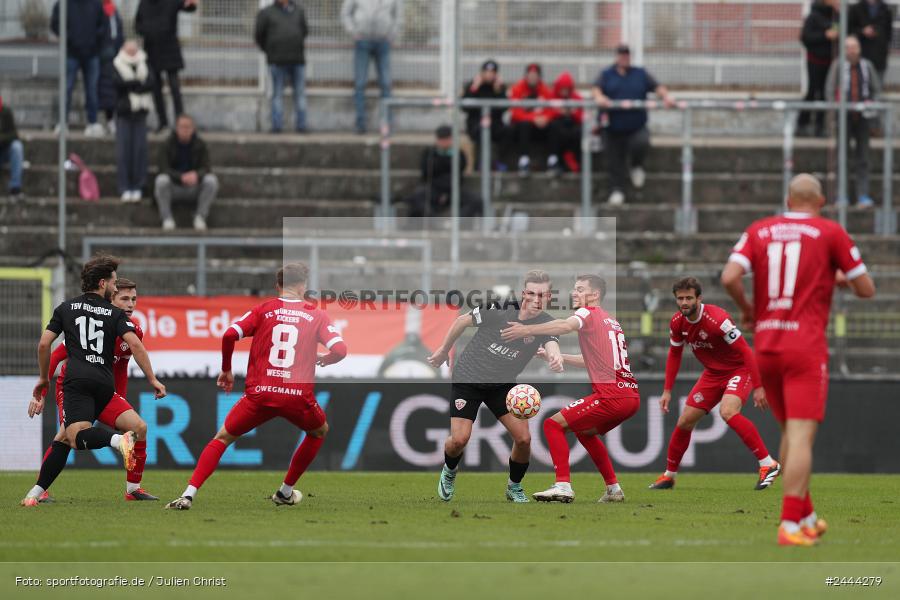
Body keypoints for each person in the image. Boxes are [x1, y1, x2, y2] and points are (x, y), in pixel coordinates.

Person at [721, 173, 875, 546]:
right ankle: (789, 525)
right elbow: (867, 289)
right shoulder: (830, 232)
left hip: (767, 346)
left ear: (788, 199)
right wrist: (837, 277)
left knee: (790, 433)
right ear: (820, 202)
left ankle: (805, 516)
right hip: (804, 347)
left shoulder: (760, 230)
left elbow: (729, 277)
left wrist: (747, 310)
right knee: (803, 436)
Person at [165, 263, 347, 510]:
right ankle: (285, 491)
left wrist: (227, 370)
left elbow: (229, 335)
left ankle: (188, 495)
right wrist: (325, 359)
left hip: (260, 394)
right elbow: (340, 350)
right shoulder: (316, 315)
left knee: (221, 438)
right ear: (303, 286)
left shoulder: (264, 310)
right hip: (297, 397)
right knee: (318, 432)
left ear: (278, 286)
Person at [21, 255, 166, 507]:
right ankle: (38, 491)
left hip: (103, 389)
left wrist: (120, 399)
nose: (130, 304)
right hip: (74, 385)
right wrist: (42, 390)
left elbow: (121, 365)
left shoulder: (119, 323)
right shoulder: (106, 319)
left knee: (139, 428)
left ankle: (133, 489)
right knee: (67, 436)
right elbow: (55, 355)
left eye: (134, 299)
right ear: (108, 290)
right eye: (124, 297)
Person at [426, 270, 564, 503]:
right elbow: (461, 321)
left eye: (542, 295)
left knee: (524, 440)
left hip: (502, 385)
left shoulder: (546, 323)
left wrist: (556, 357)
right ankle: (449, 471)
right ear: (523, 294)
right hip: (468, 379)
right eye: (531, 293)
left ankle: (514, 487)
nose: (536, 300)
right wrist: (442, 350)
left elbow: (551, 343)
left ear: (549, 296)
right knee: (459, 440)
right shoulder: (499, 309)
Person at [501, 274, 640, 504]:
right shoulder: (611, 321)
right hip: (630, 396)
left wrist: (528, 330)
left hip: (611, 395)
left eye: (580, 289)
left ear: (594, 295)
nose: (574, 293)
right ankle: (613, 489)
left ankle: (563, 485)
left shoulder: (587, 313)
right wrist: (556, 356)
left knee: (552, 424)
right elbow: (591, 361)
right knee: (585, 433)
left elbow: (565, 325)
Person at [647, 277, 780, 492]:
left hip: (739, 370)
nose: (684, 302)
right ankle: (669, 476)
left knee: (727, 411)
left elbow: (746, 351)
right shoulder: (677, 322)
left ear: (699, 298)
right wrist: (667, 391)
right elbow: (674, 354)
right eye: (680, 298)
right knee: (684, 422)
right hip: (712, 374)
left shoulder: (718, 319)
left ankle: (768, 464)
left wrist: (758, 386)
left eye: (689, 298)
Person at [593, 44, 674, 205]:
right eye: (621, 55)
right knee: (613, 158)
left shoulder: (640, 74)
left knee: (641, 142)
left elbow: (658, 87)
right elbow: (596, 90)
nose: (624, 58)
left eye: (627, 55)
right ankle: (616, 190)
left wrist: (666, 96)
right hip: (613, 127)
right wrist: (599, 98)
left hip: (636, 125)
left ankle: (636, 166)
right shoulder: (607, 74)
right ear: (617, 57)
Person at [826, 35, 881, 208]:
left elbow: (875, 90)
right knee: (842, 156)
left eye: (854, 46)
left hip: (863, 117)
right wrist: (833, 112)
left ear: (859, 48)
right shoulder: (837, 66)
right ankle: (842, 195)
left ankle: (862, 194)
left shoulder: (867, 66)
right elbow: (830, 89)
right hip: (844, 117)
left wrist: (873, 113)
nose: (852, 50)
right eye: (848, 47)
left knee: (863, 157)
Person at [135, 0, 197, 133]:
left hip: (170, 49)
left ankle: (180, 122)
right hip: (152, 50)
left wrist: (191, 4)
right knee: (156, 90)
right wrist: (148, 30)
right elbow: (138, 25)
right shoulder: (144, 3)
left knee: (175, 89)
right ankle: (163, 122)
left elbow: (188, 7)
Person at [341, 0, 402, 134]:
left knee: (386, 84)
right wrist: (353, 32)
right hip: (362, 41)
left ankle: (387, 125)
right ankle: (360, 124)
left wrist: (391, 35)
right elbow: (346, 13)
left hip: (383, 42)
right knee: (360, 84)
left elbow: (398, 16)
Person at [50, 0, 108, 136]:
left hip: (92, 54)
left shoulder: (96, 4)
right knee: (67, 88)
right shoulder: (64, 4)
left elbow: (103, 26)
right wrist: (68, 38)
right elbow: (55, 24)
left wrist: (95, 41)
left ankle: (93, 122)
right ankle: (62, 123)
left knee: (92, 89)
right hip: (71, 53)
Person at [403, 124, 482, 222]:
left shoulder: (458, 154)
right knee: (417, 198)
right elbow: (426, 173)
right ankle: (435, 222)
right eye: (441, 139)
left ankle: (457, 223)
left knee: (476, 200)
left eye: (446, 139)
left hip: (453, 189)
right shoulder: (430, 153)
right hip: (434, 189)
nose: (444, 142)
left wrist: (446, 192)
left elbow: (458, 173)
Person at [154, 113, 219, 231]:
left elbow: (207, 167)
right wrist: (180, 177)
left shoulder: (200, 145)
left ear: (193, 129)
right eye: (182, 127)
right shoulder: (167, 144)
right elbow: (163, 168)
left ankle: (200, 217)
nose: (185, 130)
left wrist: (196, 175)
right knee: (161, 181)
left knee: (211, 181)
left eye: (188, 127)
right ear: (177, 128)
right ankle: (167, 218)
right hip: (174, 187)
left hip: (194, 187)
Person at [255, 0, 309, 133]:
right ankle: (277, 126)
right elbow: (259, 35)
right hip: (277, 60)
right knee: (277, 93)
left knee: (300, 94)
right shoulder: (267, 13)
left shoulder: (298, 11)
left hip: (297, 59)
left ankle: (301, 126)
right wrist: (270, 50)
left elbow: (305, 31)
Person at [113, 40, 154, 203]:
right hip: (124, 113)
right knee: (124, 152)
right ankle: (124, 186)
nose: (131, 53)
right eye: (128, 50)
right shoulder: (116, 63)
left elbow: (151, 82)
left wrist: (133, 85)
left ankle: (139, 185)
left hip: (140, 113)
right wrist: (137, 84)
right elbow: (118, 84)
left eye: (134, 50)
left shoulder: (145, 62)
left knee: (139, 151)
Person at [798, 0, 839, 138]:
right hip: (815, 61)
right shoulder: (814, 16)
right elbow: (805, 37)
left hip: (830, 62)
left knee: (825, 93)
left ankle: (820, 126)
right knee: (813, 91)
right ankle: (802, 123)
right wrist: (825, 36)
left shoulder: (836, 16)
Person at [461, 59, 508, 171]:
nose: (489, 75)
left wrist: (498, 92)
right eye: (486, 72)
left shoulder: (499, 87)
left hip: (495, 123)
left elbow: (504, 108)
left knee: (509, 131)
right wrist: (474, 88)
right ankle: (481, 163)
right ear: (481, 73)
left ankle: (497, 162)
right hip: (475, 123)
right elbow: (465, 107)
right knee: (482, 130)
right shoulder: (472, 86)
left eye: (492, 72)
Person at [508, 63, 553, 177]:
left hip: (539, 128)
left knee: (554, 126)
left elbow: (551, 110)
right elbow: (515, 113)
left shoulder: (544, 89)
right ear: (526, 75)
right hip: (521, 129)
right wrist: (534, 118)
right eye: (530, 75)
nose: (532, 77)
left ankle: (553, 161)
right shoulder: (517, 88)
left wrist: (546, 118)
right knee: (524, 125)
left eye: (535, 75)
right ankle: (524, 161)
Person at [547, 71, 583, 176]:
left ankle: (574, 160)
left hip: (573, 130)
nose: (564, 91)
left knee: (578, 131)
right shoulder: (551, 96)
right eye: (562, 88)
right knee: (555, 128)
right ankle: (556, 162)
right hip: (557, 131)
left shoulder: (576, 98)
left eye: (567, 88)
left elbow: (582, 116)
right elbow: (546, 114)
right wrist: (559, 112)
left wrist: (572, 112)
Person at [849, 0, 894, 83]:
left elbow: (888, 32)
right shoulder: (856, 8)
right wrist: (862, 31)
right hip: (861, 53)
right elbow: (849, 29)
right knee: (861, 84)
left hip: (879, 54)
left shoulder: (886, 8)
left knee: (877, 83)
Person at [97, 0, 125, 135]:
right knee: (101, 87)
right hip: (103, 53)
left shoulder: (114, 11)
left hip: (113, 53)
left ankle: (110, 120)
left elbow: (119, 31)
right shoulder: (98, 10)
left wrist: (118, 47)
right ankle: (102, 120)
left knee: (110, 87)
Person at [0, 95, 25, 202]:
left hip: (4, 150)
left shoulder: (6, 112)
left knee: (17, 147)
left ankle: (15, 188)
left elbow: (14, 135)